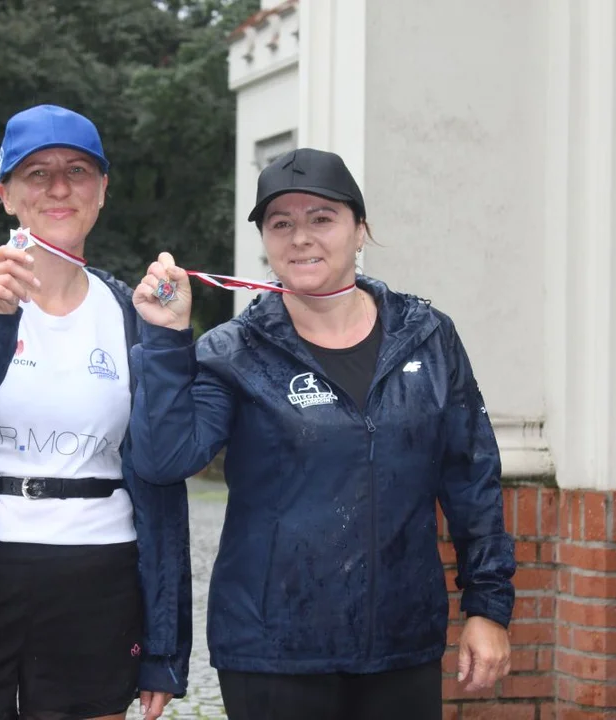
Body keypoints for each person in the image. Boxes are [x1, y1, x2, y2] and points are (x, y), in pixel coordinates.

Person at [129, 148, 516, 719]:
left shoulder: (427, 337)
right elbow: (164, 460)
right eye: (281, 223)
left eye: (321, 218)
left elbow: (472, 480)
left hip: (399, 643)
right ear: (264, 240)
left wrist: (488, 607)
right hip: (272, 651)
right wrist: (166, 340)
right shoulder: (233, 352)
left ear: (360, 229)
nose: (300, 237)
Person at [0, 104, 191, 720]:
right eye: (35, 172)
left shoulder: (132, 311)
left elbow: (162, 469)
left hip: (96, 574)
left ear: (103, 189)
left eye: (77, 170)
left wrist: (163, 646)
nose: (57, 187)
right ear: (5, 194)